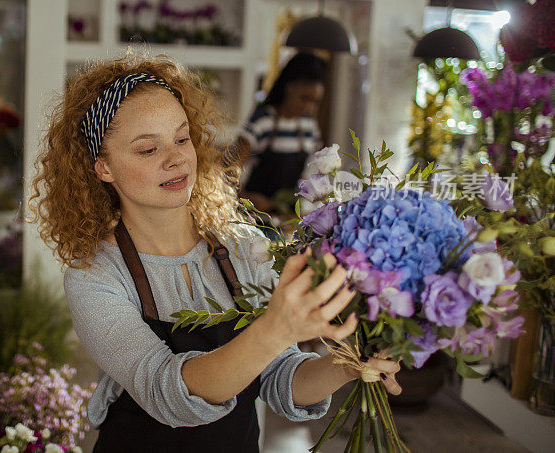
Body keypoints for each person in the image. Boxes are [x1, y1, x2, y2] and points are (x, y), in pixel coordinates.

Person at [29, 54, 400, 452]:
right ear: (103, 167)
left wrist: (347, 363)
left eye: (181, 138)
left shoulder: (243, 247)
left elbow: (278, 379)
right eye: (147, 149)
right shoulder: (96, 275)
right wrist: (278, 328)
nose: (175, 158)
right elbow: (167, 393)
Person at [234, 53, 327, 213]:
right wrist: (245, 197)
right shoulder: (263, 121)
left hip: (287, 216)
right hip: (255, 216)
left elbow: (317, 169)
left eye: (315, 102)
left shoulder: (309, 125)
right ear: (289, 87)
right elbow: (229, 172)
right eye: (304, 98)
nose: (309, 107)